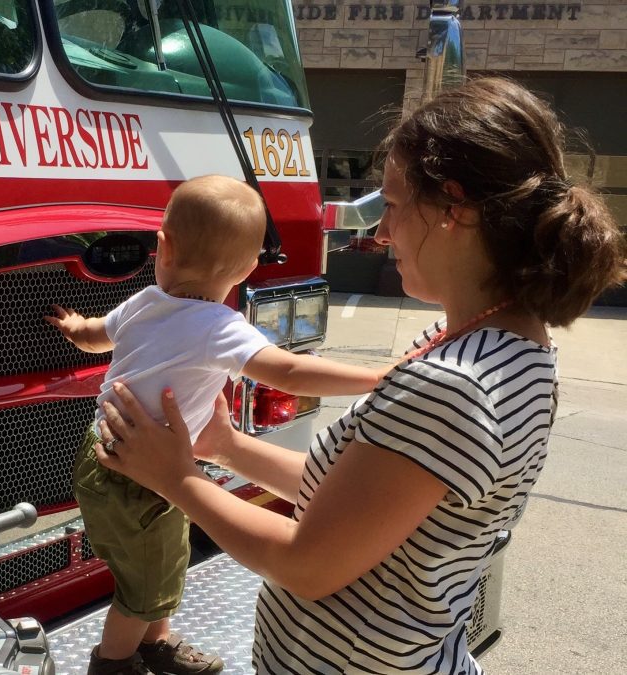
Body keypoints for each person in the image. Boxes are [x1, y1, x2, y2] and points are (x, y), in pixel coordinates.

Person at [90, 77, 626, 674]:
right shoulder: (502, 348)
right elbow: (359, 499)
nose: (381, 233)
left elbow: (309, 564)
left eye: (392, 206)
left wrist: (179, 481)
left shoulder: (454, 385)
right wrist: (228, 447)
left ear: (455, 210)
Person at [46, 175, 391, 675]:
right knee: (142, 586)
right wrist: (373, 377)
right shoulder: (218, 327)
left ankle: (156, 644)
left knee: (163, 558)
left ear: (161, 247)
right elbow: (287, 370)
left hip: (109, 457)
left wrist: (75, 326)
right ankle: (113, 664)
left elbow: (96, 337)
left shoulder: (144, 302)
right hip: (136, 472)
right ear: (249, 267)